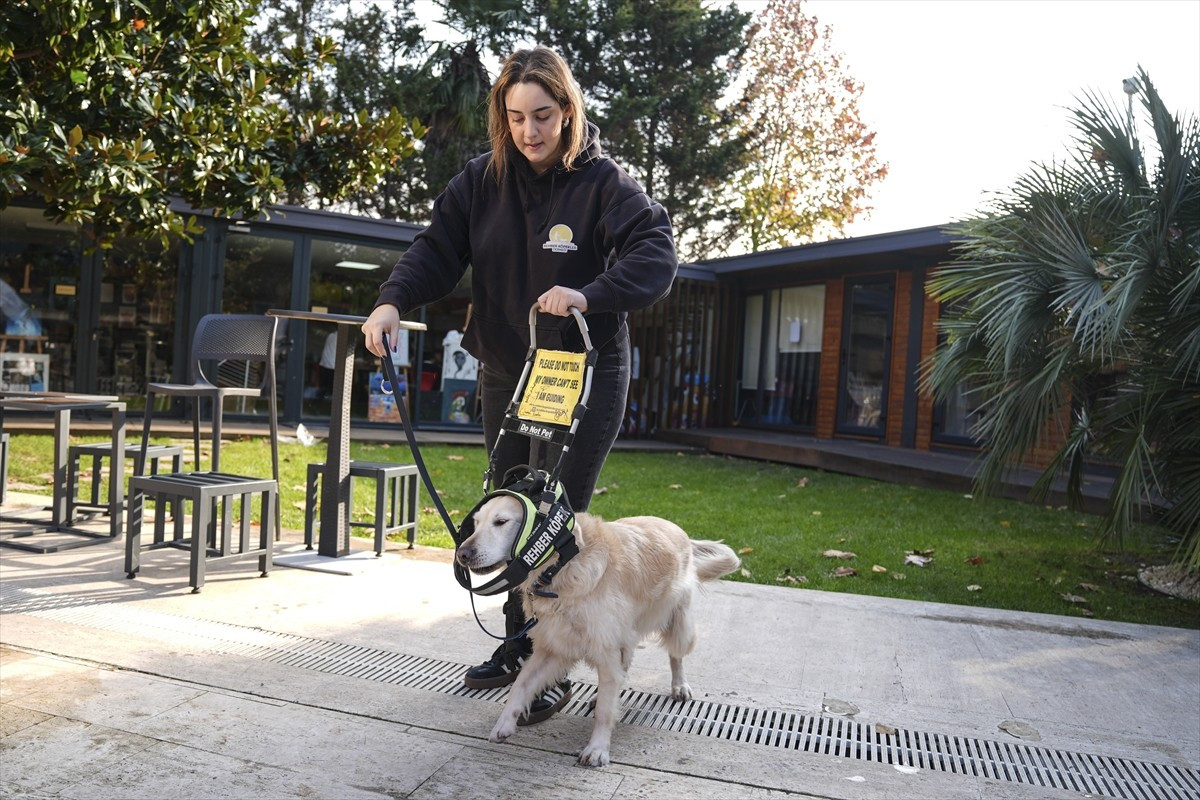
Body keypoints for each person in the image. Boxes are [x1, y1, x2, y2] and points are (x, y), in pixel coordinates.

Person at [362, 46, 678, 724]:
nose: (529, 132)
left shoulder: (602, 182)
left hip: (584, 373)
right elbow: (435, 249)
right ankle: (518, 643)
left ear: (567, 111)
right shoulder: (482, 181)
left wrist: (591, 293)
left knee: (556, 513)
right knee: (507, 503)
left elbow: (655, 248)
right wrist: (393, 300)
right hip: (509, 366)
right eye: (515, 118)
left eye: (542, 116)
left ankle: (558, 667)